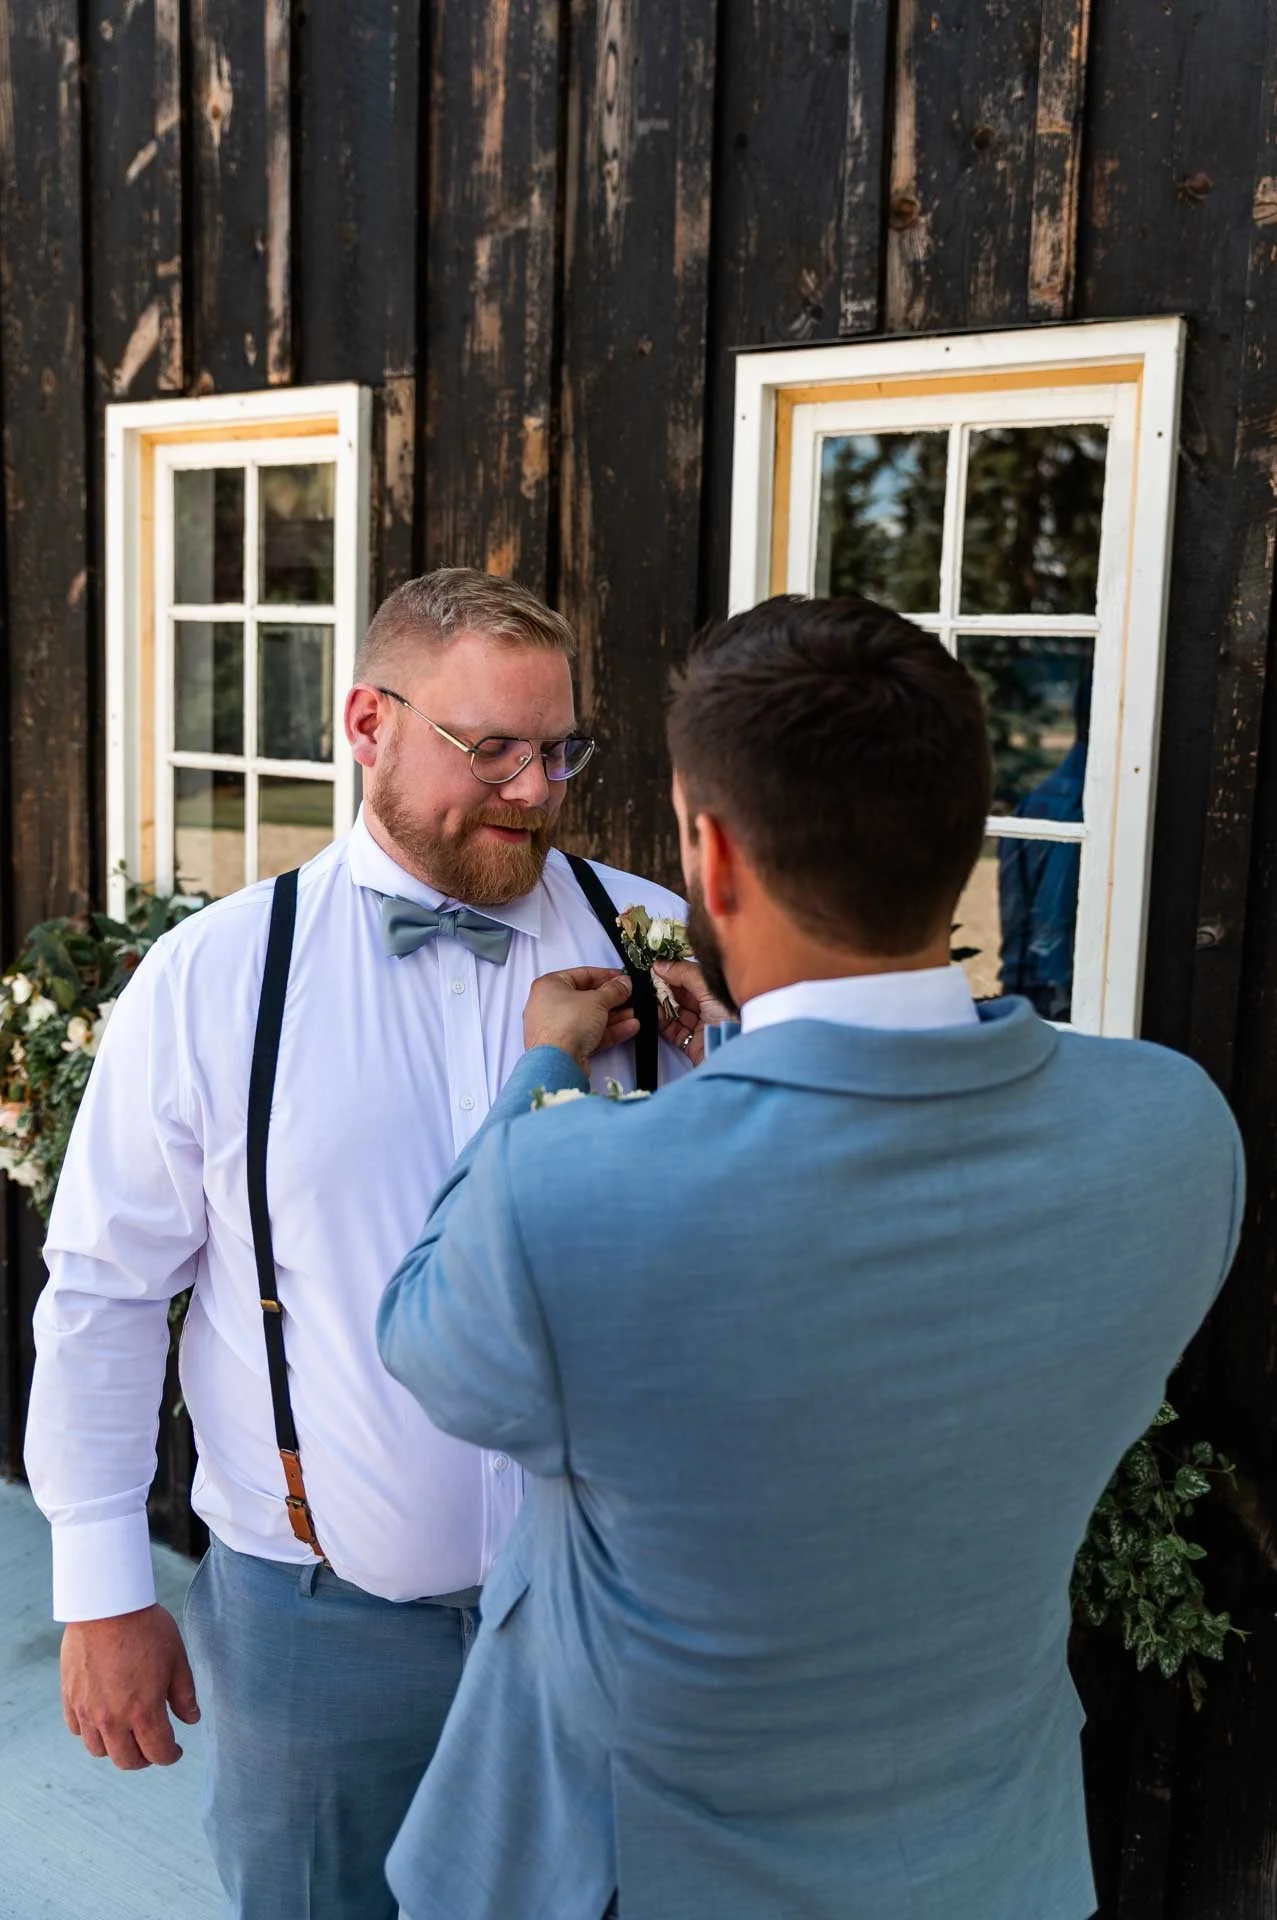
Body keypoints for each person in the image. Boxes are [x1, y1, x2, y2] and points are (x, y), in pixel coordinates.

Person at [377, 592, 1245, 1920]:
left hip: (652, 1876)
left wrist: (541, 1072)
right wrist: (736, 1057)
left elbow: (424, 1335)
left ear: (711, 861)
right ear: (965, 845)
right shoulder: (1176, 1132)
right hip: (981, 1862)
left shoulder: (564, 1193)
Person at [24, 568, 690, 1920]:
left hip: (607, 1619)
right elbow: (103, 1293)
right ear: (367, 723)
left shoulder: (652, 936)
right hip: (315, 1634)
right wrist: (100, 1589)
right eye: (488, 747)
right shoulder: (216, 977)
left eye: (557, 748)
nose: (533, 787)